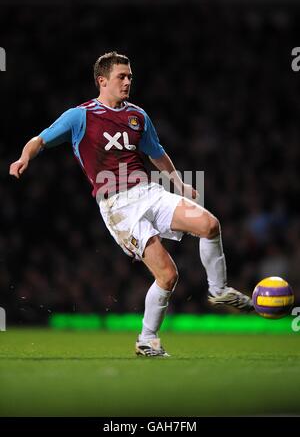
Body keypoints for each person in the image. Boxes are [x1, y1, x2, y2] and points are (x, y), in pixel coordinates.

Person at [9, 51, 253, 357]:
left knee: (209, 224)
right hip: (117, 204)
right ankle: (147, 339)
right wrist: (24, 157)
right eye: (121, 77)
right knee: (167, 274)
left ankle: (218, 291)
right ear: (102, 81)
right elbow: (40, 139)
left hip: (149, 191)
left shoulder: (137, 116)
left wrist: (178, 183)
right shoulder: (80, 116)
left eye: (130, 77)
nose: (127, 82)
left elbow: (156, 152)